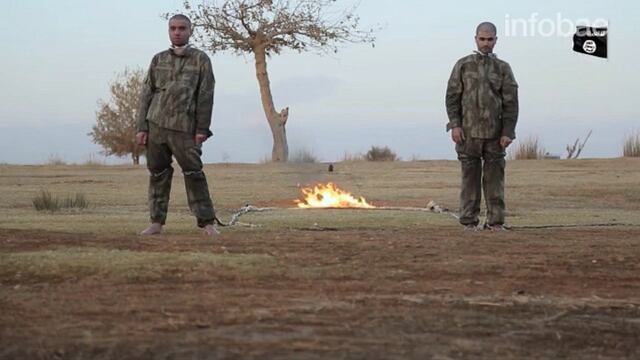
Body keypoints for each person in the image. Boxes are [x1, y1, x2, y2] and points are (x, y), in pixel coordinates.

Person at [135, 14, 218, 236]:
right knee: (158, 173)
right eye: (173, 28)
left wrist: (202, 129)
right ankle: (156, 222)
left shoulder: (201, 60)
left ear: (190, 30)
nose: (177, 32)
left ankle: (207, 222)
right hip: (156, 125)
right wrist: (141, 127)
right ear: (168, 31)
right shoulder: (158, 59)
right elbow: (146, 94)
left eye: (182, 28)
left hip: (185, 128)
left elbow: (206, 96)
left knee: (194, 173)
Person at [445, 22, 519, 231]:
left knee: (494, 180)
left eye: (490, 39)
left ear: (496, 40)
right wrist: (455, 126)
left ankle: (495, 222)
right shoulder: (463, 65)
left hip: (495, 135)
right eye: (482, 39)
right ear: (476, 39)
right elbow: (452, 97)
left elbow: (511, 103)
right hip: (467, 135)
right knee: (470, 180)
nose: (486, 43)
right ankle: (468, 221)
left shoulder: (503, 68)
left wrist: (508, 132)